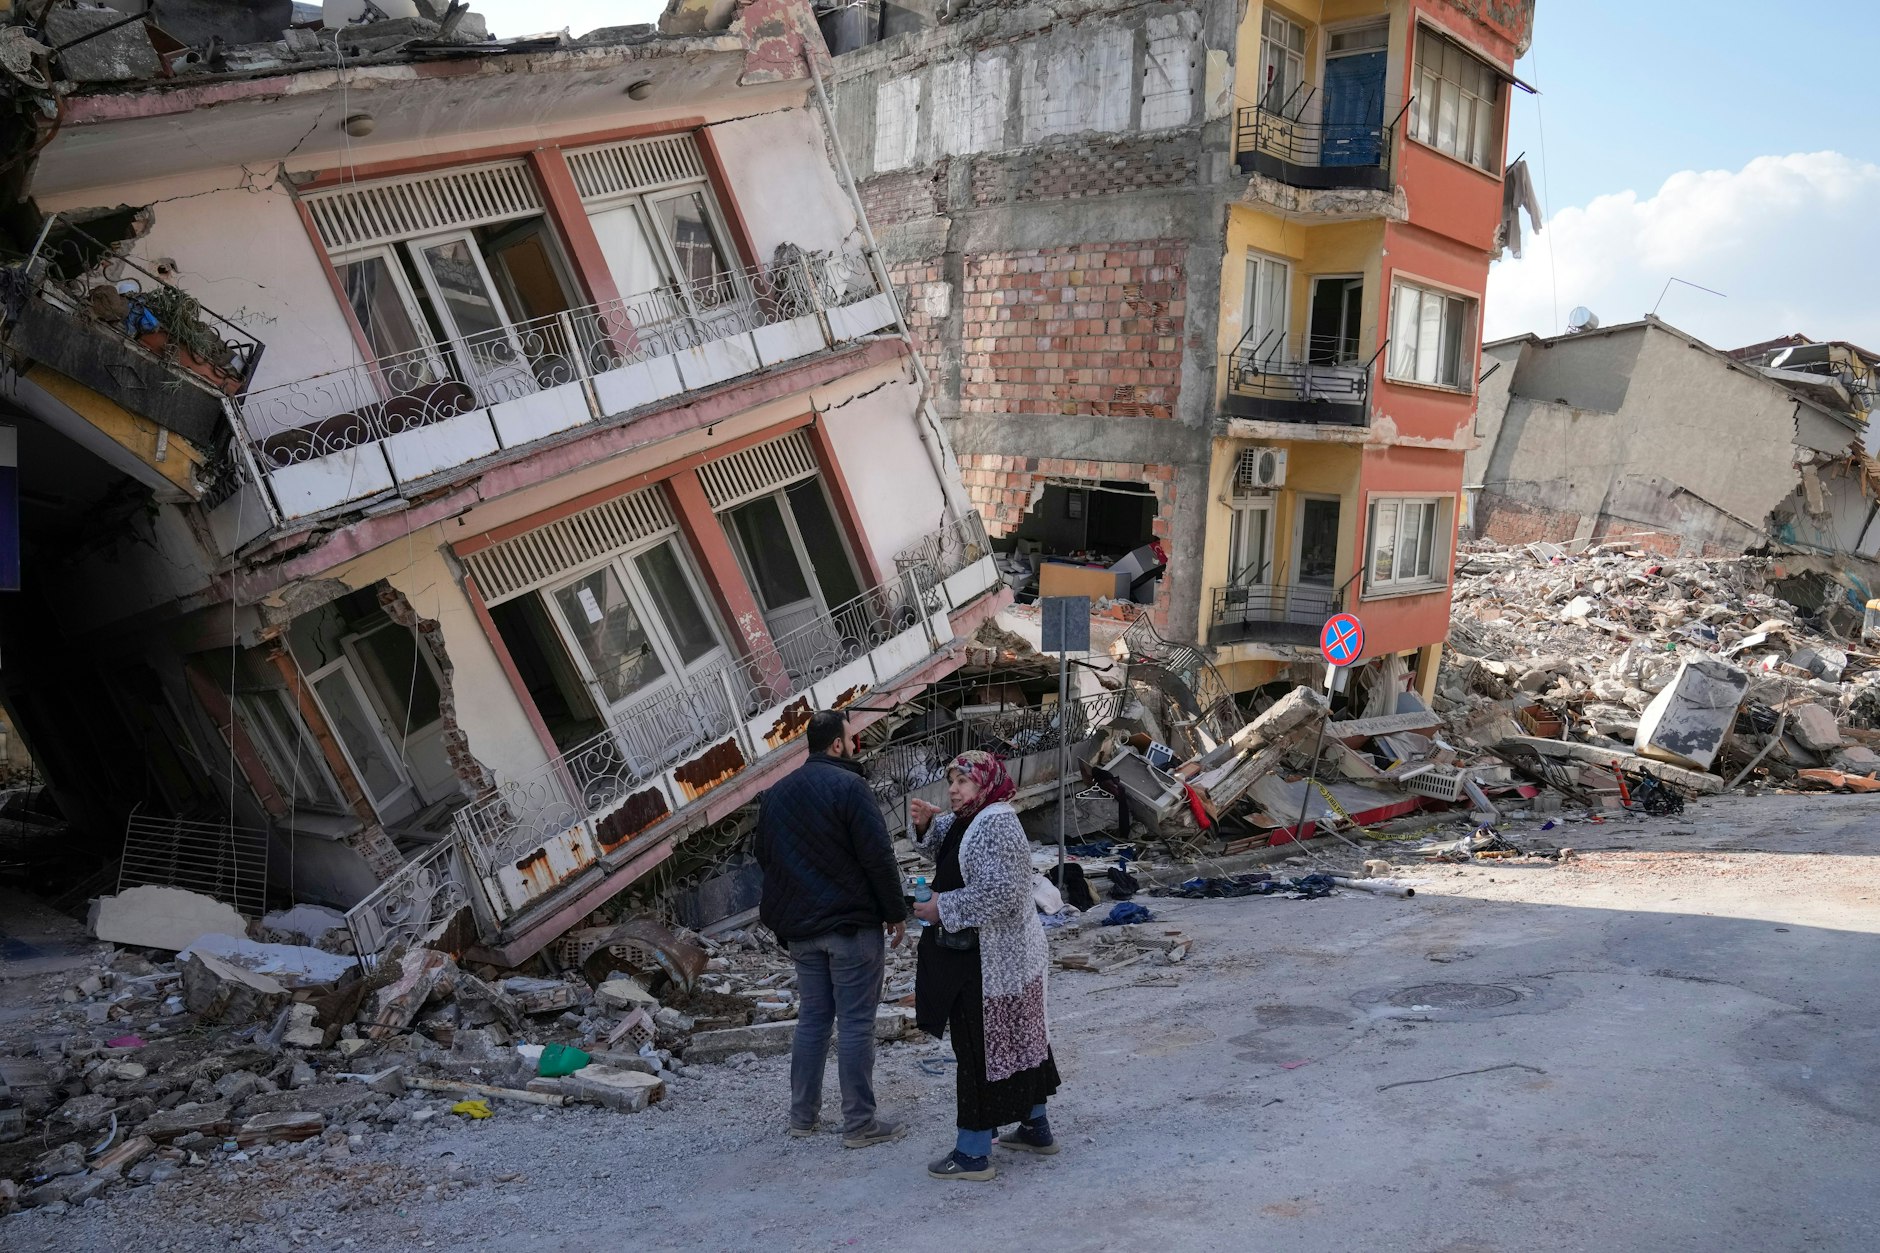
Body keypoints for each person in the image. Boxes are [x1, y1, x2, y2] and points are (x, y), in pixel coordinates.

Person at [755, 709, 907, 1148]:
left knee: (813, 1020)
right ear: (838, 745)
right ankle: (859, 1124)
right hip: (850, 926)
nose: (855, 744)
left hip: (802, 930)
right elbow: (877, 856)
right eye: (851, 737)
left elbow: (765, 856)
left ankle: (803, 1116)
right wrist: (895, 912)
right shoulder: (851, 786)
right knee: (857, 1022)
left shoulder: (778, 794)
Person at [909, 750, 1061, 1181]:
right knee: (1018, 1041)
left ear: (986, 784)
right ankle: (1035, 1127)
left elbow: (1005, 894)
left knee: (980, 1052)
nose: (954, 790)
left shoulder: (997, 822)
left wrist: (943, 907)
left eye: (963, 782)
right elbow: (955, 848)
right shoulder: (976, 817)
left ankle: (973, 1152)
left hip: (994, 960)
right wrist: (925, 826)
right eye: (951, 780)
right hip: (1000, 957)